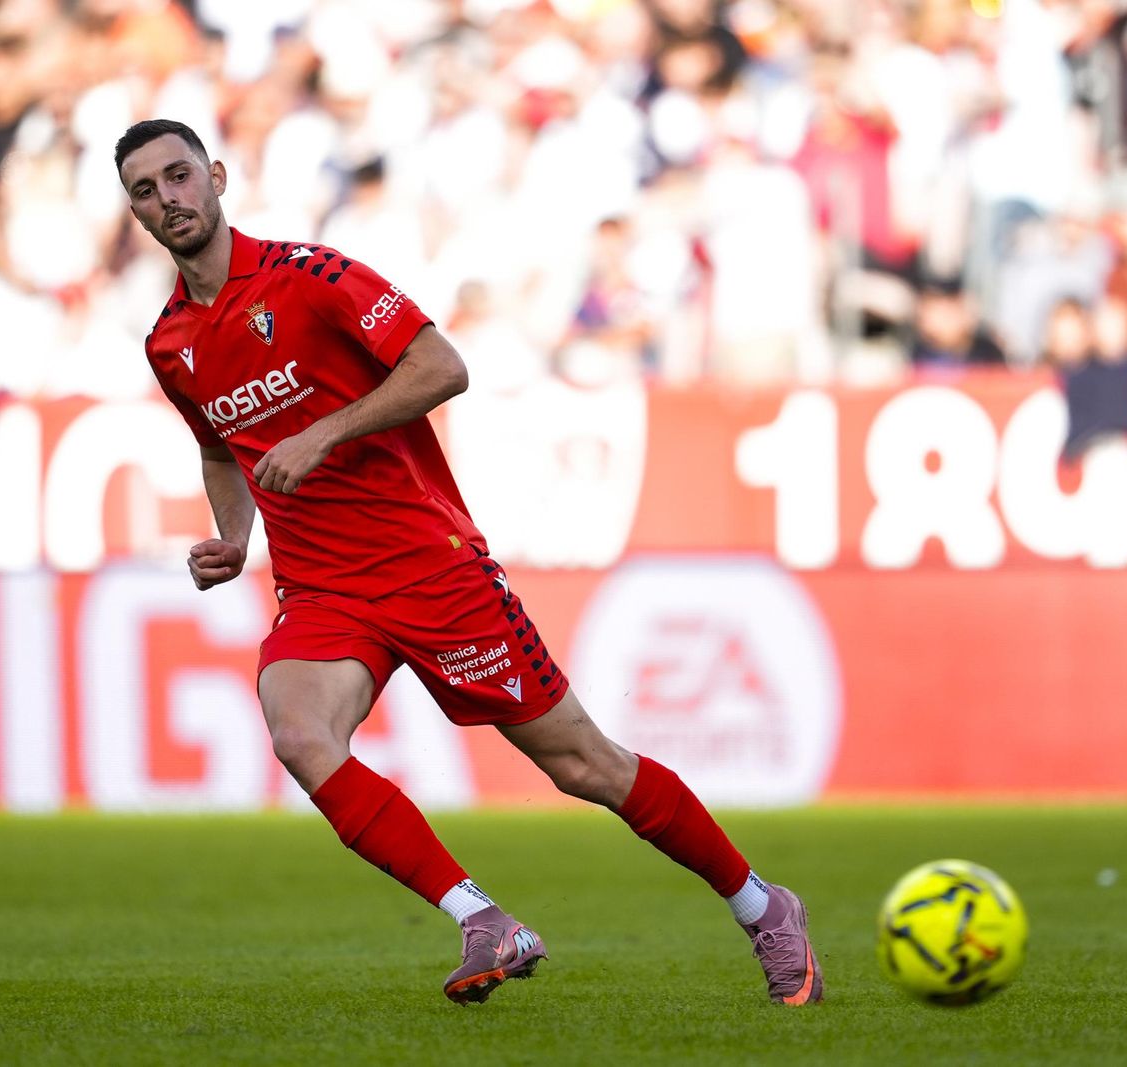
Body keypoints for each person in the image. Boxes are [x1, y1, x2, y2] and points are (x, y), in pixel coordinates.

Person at [116, 118, 823, 1007]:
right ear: (136, 213)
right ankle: (482, 918)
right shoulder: (169, 342)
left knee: (585, 765)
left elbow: (442, 367)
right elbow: (222, 447)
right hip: (322, 587)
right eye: (146, 190)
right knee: (299, 733)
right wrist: (235, 534)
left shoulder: (311, 277)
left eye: (179, 175)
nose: (169, 198)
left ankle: (763, 906)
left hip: (428, 566)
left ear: (216, 176)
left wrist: (324, 433)